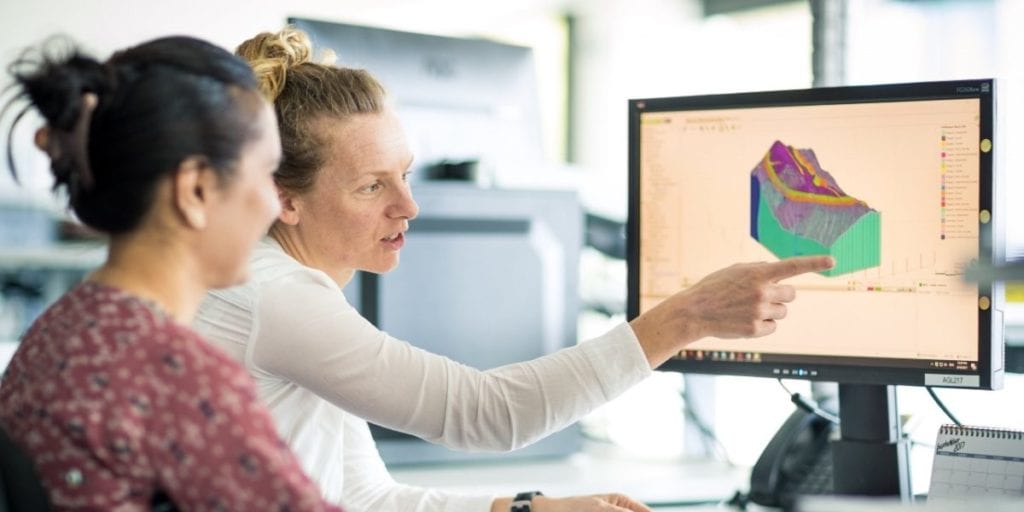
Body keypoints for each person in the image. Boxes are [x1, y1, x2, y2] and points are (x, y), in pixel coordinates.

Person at [194, 27, 834, 512]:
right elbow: (487, 413)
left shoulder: (281, 287)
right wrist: (687, 316)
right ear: (285, 197)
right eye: (370, 187)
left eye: (406, 175)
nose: (408, 206)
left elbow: (366, 497)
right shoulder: (270, 295)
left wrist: (525, 510)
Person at [0, 35, 345, 511]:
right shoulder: (180, 377)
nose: (272, 202)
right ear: (196, 189)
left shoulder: (52, 335)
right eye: (266, 173)